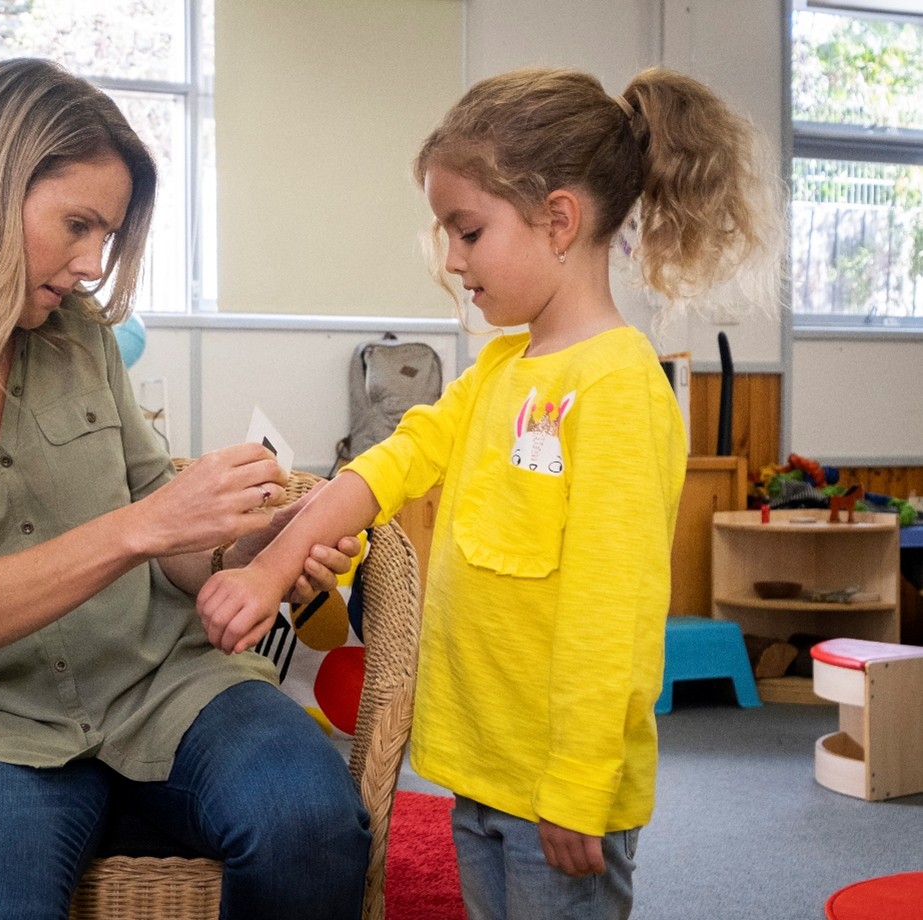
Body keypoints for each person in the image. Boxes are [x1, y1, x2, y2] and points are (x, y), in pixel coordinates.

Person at [0, 58, 371, 920]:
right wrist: (140, 526)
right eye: (77, 225)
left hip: (170, 687)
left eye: (107, 236)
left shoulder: (79, 336)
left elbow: (175, 557)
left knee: (312, 827)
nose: (92, 265)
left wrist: (254, 544)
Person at [196, 67, 782, 920]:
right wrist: (270, 565)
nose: (451, 259)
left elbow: (611, 613)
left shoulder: (618, 388)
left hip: (559, 792)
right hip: (481, 771)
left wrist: (578, 783)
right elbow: (386, 466)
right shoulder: (499, 370)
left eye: (467, 230)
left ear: (558, 220)